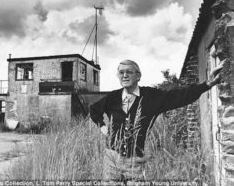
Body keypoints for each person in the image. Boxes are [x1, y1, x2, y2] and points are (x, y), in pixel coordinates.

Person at [89, 59, 225, 180]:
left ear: (138, 76)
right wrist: (102, 126)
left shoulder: (151, 96)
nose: (124, 75)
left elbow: (180, 96)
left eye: (129, 72)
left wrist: (206, 84)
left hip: (135, 161)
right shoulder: (113, 97)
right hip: (111, 158)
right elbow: (94, 109)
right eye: (121, 72)